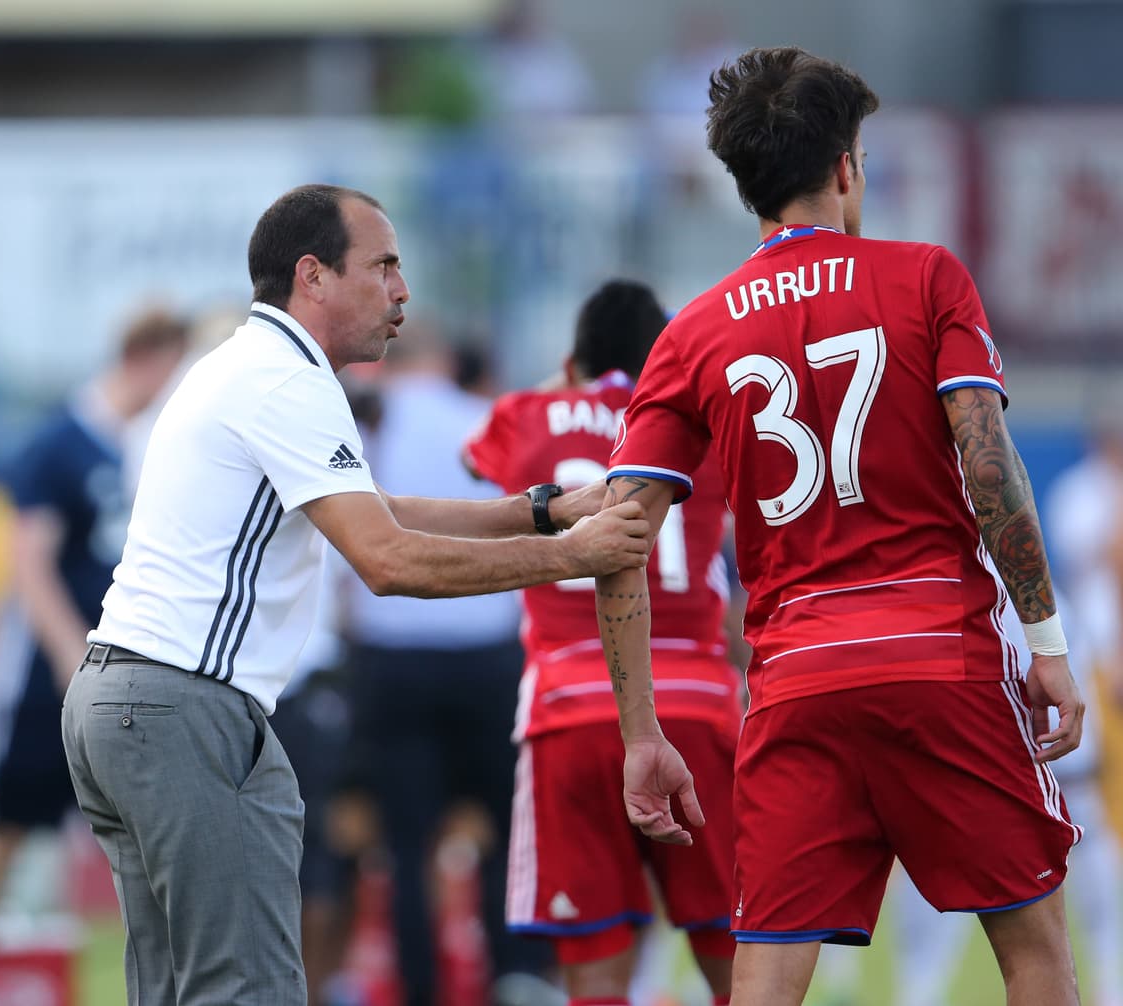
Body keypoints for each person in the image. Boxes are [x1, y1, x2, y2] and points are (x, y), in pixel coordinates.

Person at [60, 183, 651, 1006]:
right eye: (383, 266)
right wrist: (572, 556)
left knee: (176, 992)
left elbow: (376, 507)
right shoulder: (285, 380)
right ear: (314, 275)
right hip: (182, 707)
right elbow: (388, 560)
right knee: (249, 990)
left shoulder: (253, 364)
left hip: (126, 700)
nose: (402, 290)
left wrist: (541, 511)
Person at [593, 47, 1086, 1006]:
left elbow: (621, 537)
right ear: (848, 165)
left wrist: (641, 729)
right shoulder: (926, 277)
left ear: (744, 186)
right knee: (1034, 955)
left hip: (795, 683)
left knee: (766, 984)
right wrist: (1047, 644)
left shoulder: (691, 333)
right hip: (939, 657)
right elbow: (991, 468)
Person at [463, 279, 740, 1006]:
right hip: (698, 702)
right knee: (737, 956)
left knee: (595, 970)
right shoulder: (698, 419)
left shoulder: (526, 413)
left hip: (569, 707)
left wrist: (567, 384)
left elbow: (475, 463)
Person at [0, 309, 190, 1003]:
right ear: (146, 356)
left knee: (150, 842)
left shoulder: (142, 447)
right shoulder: (60, 443)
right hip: (57, 680)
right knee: (9, 828)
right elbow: (30, 560)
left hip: (133, 675)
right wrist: (65, 654)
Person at [345, 327, 544, 1006]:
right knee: (504, 831)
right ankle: (513, 977)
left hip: (393, 653)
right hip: (486, 651)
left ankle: (421, 989)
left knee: (406, 845)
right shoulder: (484, 418)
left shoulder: (365, 427)